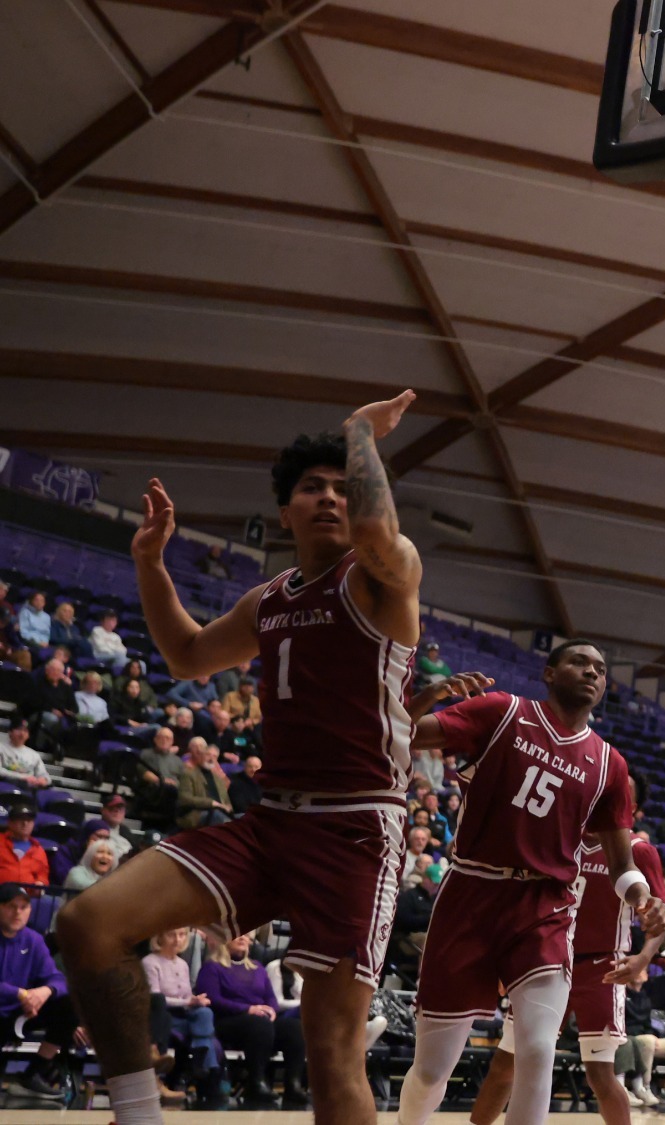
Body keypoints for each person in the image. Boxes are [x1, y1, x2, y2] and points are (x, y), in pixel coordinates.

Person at [58, 393, 430, 1125]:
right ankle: (137, 1111)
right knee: (87, 923)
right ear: (284, 513)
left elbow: (378, 528)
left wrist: (359, 432)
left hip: (355, 830)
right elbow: (188, 654)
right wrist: (149, 562)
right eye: (310, 487)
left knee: (331, 1049)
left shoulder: (384, 576)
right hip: (269, 823)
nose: (329, 495)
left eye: (340, 483)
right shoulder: (268, 599)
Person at [395, 649, 665, 1125]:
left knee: (537, 1049)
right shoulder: (501, 711)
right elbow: (401, 734)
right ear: (548, 673)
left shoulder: (609, 765)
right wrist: (425, 697)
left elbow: (623, 865)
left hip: (545, 905)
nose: (592, 672)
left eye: (602, 669)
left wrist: (643, 898)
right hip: (471, 893)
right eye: (580, 662)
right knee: (431, 1071)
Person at [467, 818, 665, 1125]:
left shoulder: (638, 852)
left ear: (630, 809)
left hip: (603, 968)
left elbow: (659, 918)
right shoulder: (561, 839)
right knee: (506, 1062)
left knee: (600, 1073)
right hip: (549, 960)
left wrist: (643, 958)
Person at [196, 930, 308, 1107]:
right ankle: (256, 1082)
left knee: (293, 1028)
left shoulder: (257, 967)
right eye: (237, 934)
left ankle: (293, 1085)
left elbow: (270, 998)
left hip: (259, 1022)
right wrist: (248, 1009)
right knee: (258, 1024)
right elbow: (213, 1000)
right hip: (228, 1020)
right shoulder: (212, 967)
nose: (242, 938)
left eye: (246, 935)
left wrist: (271, 1010)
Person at [0, 881, 81, 1096]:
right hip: (8, 1005)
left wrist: (44, 992)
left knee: (69, 1004)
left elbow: (56, 978)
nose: (18, 912)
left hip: (23, 1009)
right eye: (11, 906)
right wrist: (22, 994)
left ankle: (33, 1073)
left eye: (23, 907)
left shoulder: (34, 940)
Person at [145, 927, 220, 1105]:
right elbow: (155, 1000)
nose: (178, 940)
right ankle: (203, 1064)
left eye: (182, 935)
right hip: (160, 1017)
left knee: (205, 1012)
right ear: (160, 936)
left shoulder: (182, 964)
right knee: (209, 1037)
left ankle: (200, 1057)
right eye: (172, 934)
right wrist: (188, 1002)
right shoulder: (150, 962)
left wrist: (195, 1000)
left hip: (184, 1014)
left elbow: (186, 996)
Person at [175, 737, 232, 829]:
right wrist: (212, 803)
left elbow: (226, 801)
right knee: (220, 819)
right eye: (208, 754)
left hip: (219, 813)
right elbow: (184, 799)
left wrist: (229, 807)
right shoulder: (189, 773)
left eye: (214, 756)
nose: (211, 758)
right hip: (195, 814)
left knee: (243, 819)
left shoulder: (217, 778)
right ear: (201, 756)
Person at [0, 802, 50, 886]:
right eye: (21, 819)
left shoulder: (38, 850)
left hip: (27, 897)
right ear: (10, 823)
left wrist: (41, 883)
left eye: (29, 820)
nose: (25, 823)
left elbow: (42, 876)